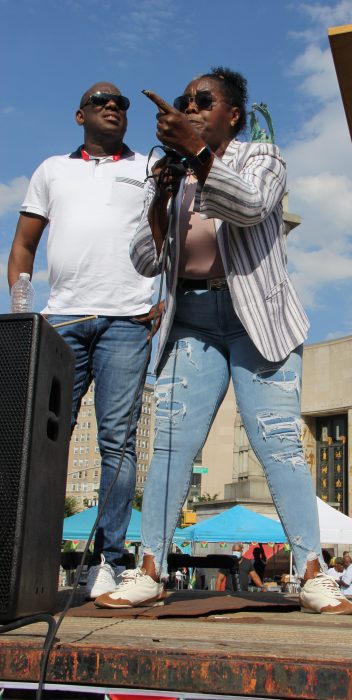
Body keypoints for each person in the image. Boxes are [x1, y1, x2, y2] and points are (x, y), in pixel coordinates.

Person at [95, 67, 352, 616]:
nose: (190, 107)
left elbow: (252, 208)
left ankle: (312, 573)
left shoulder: (261, 157)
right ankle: (150, 569)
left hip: (256, 318)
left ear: (232, 113)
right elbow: (144, 257)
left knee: (278, 441)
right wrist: (160, 203)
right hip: (190, 317)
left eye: (203, 100)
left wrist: (198, 154)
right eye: (186, 100)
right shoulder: (169, 172)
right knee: (170, 444)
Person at [8, 82, 157, 600]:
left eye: (120, 103)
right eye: (101, 101)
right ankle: (32, 556)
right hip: (63, 320)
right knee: (45, 440)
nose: (113, 107)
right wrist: (24, 316)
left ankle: (105, 562)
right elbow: (24, 244)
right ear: (80, 115)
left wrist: (166, 299)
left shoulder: (147, 168)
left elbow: (176, 234)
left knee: (118, 441)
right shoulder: (52, 169)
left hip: (127, 320)